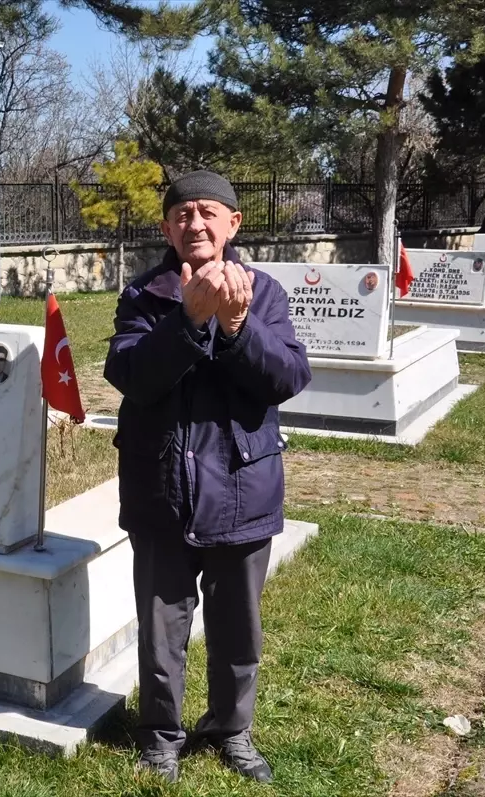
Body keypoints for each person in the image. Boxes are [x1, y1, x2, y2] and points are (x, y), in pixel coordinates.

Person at [103, 170, 312, 784]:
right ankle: (161, 735)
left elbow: (286, 379)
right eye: (183, 214)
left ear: (233, 224)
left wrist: (238, 328)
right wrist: (189, 322)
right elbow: (133, 376)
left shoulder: (264, 292)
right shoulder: (144, 297)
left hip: (242, 489)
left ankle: (230, 729)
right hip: (160, 490)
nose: (195, 223)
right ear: (167, 228)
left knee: (237, 629)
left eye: (208, 213)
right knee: (162, 627)